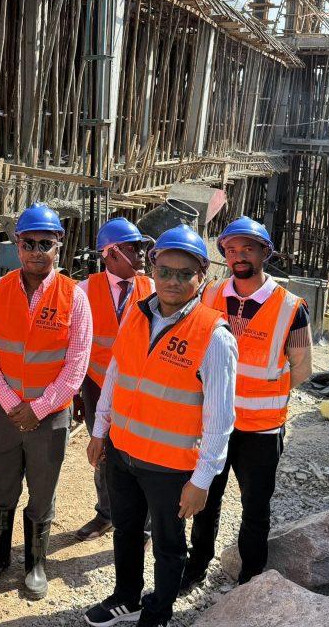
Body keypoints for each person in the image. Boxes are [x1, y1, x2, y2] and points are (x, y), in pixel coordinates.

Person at [83, 225, 237, 627]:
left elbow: (221, 419)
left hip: (170, 466)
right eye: (165, 271)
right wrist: (101, 431)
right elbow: (115, 376)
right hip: (123, 453)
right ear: (152, 268)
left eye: (184, 273)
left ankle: (158, 612)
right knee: (127, 532)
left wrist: (202, 480)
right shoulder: (137, 315)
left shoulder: (213, 335)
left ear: (201, 276)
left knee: (169, 546)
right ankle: (126, 598)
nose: (172, 281)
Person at [181, 216, 312, 589]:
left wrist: (263, 397)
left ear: (264, 253)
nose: (239, 256)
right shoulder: (209, 295)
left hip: (261, 429)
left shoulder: (290, 306)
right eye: (232, 250)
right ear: (224, 253)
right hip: (212, 424)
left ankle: (251, 577)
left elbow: (300, 368)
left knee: (255, 508)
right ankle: (197, 565)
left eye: (247, 249)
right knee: (206, 498)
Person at [0, 203, 92, 599]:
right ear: (17, 244)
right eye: (28, 243)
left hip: (50, 416)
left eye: (45, 243)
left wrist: (38, 408)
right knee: (4, 486)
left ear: (59, 245)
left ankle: (35, 563)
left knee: (42, 491)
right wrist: (9, 402)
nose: (36, 251)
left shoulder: (74, 298)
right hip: (4, 412)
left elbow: (75, 366)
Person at [75, 218, 154, 542]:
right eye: (134, 248)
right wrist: (77, 393)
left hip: (142, 385)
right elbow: (75, 343)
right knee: (103, 451)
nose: (141, 255)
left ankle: (144, 520)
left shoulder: (151, 288)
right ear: (111, 253)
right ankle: (106, 513)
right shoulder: (85, 289)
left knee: (144, 451)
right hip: (97, 385)